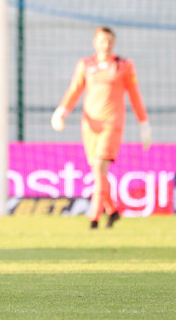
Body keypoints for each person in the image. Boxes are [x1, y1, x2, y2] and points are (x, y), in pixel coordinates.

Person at [51, 27, 151, 229]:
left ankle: (94, 218)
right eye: (103, 40)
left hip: (112, 124)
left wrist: (144, 123)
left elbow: (134, 95)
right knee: (98, 173)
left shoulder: (124, 65)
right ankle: (112, 210)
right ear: (95, 42)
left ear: (113, 43)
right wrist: (61, 111)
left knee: (99, 167)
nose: (106, 44)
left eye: (110, 41)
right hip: (90, 125)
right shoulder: (85, 64)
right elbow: (74, 91)